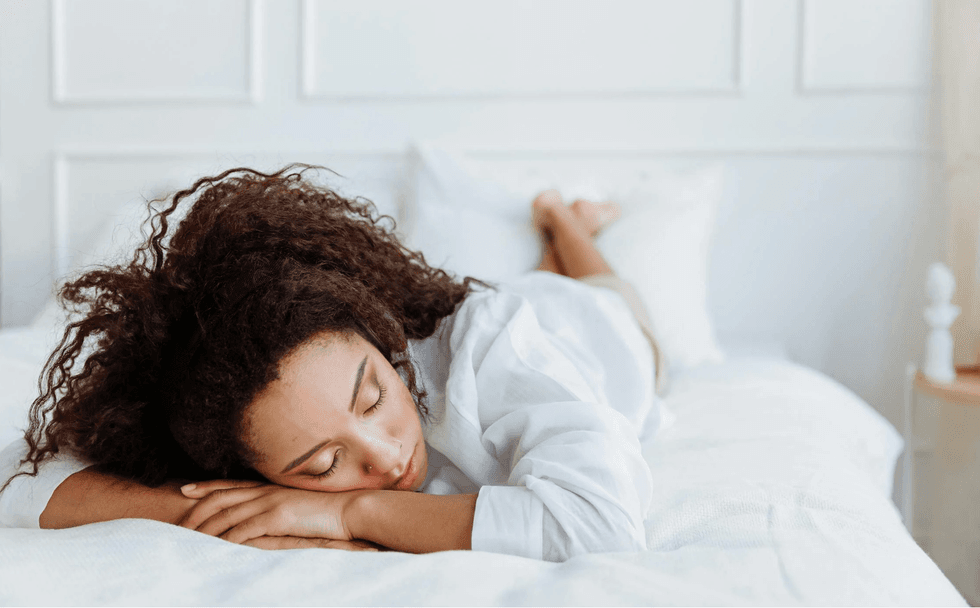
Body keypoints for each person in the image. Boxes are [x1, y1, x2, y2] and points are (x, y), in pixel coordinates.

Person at [0, 165, 663, 561]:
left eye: (372, 395)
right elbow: (15, 486)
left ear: (378, 336)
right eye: (321, 464)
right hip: (524, 314)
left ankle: (564, 218)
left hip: (599, 328)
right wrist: (230, 508)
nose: (383, 457)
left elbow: (599, 525)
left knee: (601, 289)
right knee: (531, 283)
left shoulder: (493, 346)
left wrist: (349, 511)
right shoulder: (246, 415)